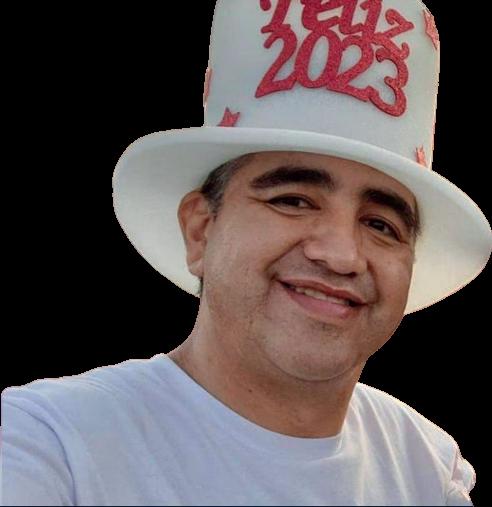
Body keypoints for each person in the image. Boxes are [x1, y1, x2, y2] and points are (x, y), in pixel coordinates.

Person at [2, 0, 490, 505]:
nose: (341, 254)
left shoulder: (427, 470)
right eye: (293, 200)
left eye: (381, 225)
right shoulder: (48, 446)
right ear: (200, 230)